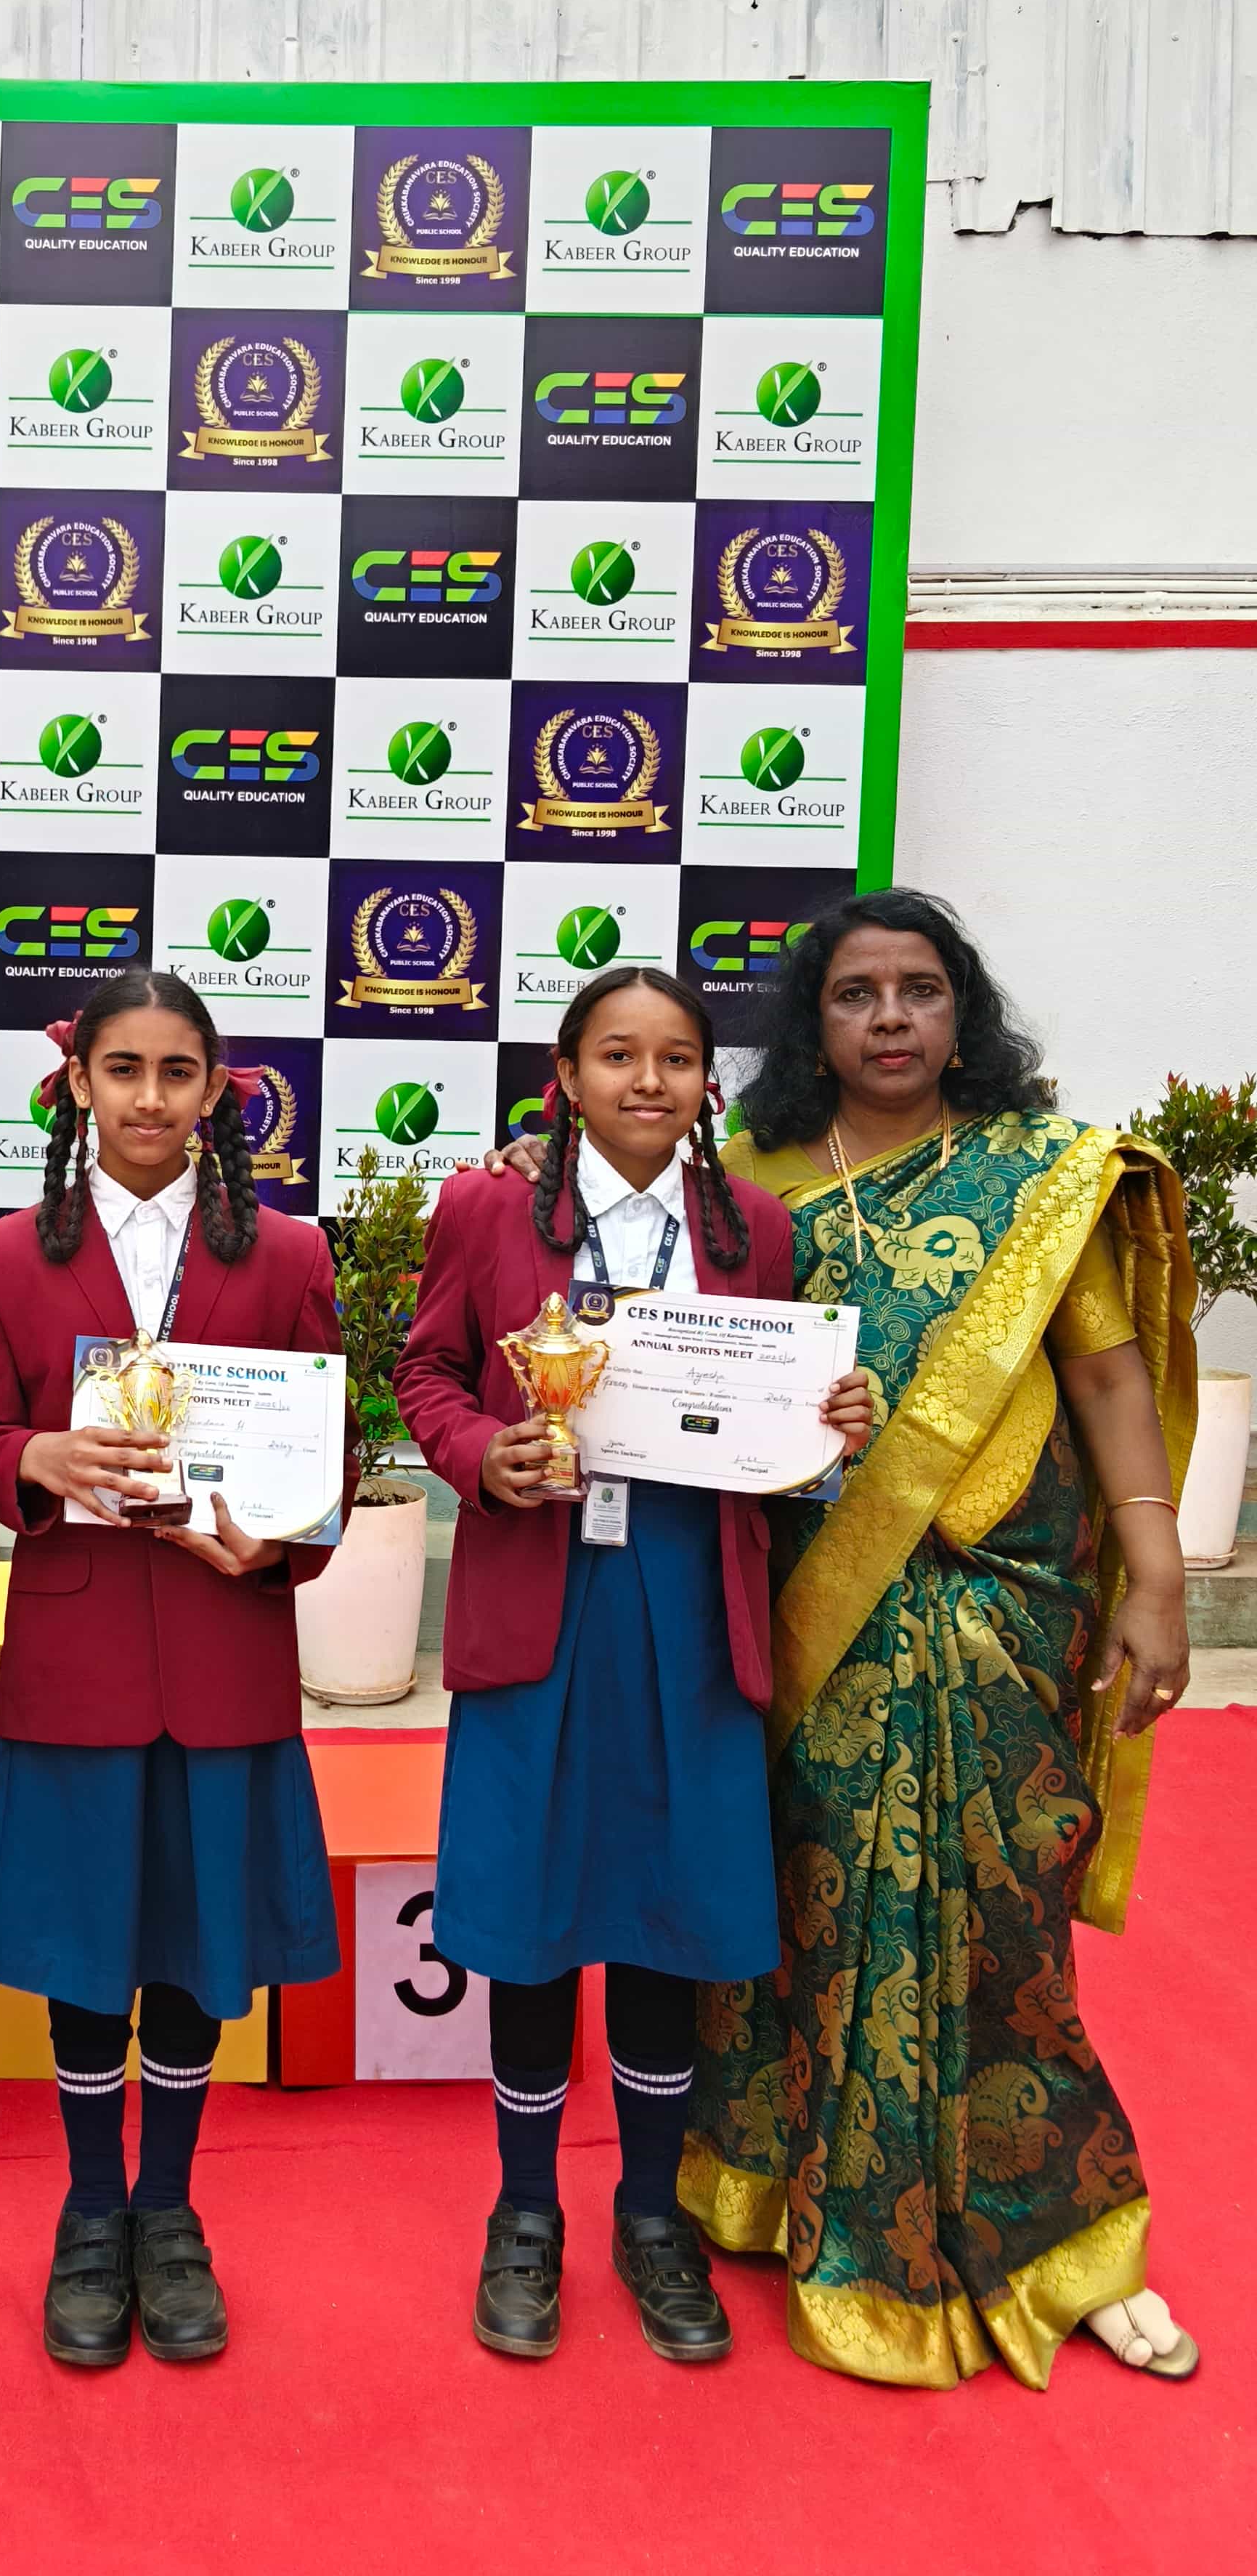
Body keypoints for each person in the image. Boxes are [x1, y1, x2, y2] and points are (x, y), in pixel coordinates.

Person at [460, 888, 1199, 2389]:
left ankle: (1056, 2231)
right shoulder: (746, 1181)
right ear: (812, 1023)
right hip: (799, 1617)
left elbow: (1112, 1378)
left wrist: (1158, 1571)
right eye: (856, 993)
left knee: (1004, 1918)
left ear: (962, 1013)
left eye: (920, 989)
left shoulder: (1036, 1174)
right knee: (788, 1924)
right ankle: (766, 2193)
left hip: (998, 1612)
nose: (890, 1018)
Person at [398, 968, 873, 2368]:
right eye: (618, 1055)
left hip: (692, 1604)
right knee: (534, 1917)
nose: (648, 1081)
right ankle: (525, 2212)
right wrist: (482, 1453)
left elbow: (777, 1421)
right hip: (540, 1602)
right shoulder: (488, 1210)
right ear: (567, 1073)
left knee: (673, 1916)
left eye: (675, 1058)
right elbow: (427, 1373)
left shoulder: (753, 1226)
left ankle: (653, 2214)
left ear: (706, 1084)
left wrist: (829, 1426)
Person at [0, 970, 353, 2370]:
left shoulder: (287, 1255)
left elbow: (328, 1453)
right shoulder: (4, 1258)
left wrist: (282, 1541)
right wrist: (35, 1457)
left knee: (193, 1941)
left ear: (215, 1092)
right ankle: (89, 2205)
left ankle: (169, 2206)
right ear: (78, 1085)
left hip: (226, 1650)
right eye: (123, 1070)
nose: (149, 1098)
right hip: (77, 1653)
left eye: (178, 1073)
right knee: (84, 1943)